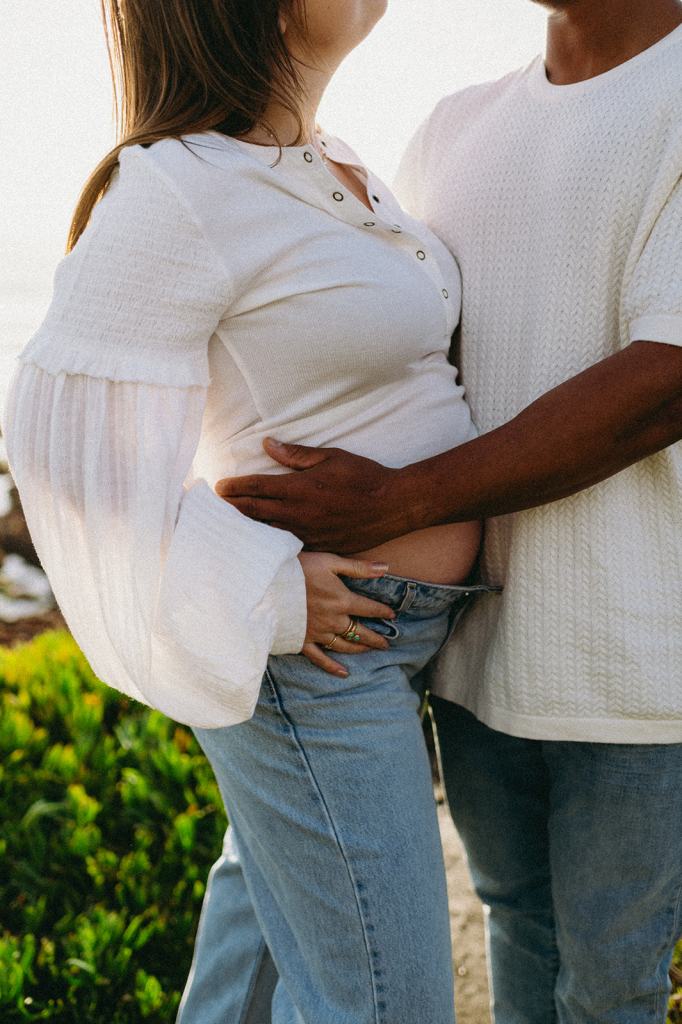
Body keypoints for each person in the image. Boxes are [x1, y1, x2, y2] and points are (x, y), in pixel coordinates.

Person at [0, 2, 501, 1021]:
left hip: (387, 645)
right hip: (317, 669)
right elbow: (62, 453)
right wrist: (266, 589)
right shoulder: (179, 187)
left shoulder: (325, 162)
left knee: (249, 986)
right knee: (387, 1006)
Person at [218, 1, 682, 1021]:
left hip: (642, 659)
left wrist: (399, 498)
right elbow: (399, 346)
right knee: (515, 922)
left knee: (610, 984)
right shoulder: (454, 125)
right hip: (470, 646)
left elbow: (663, 382)